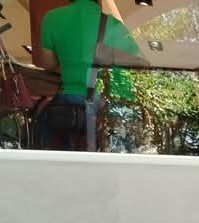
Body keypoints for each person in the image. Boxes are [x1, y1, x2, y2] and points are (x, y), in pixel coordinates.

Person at [37, 0, 142, 151]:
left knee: (43, 125)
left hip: (66, 104)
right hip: (101, 102)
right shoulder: (113, 25)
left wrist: (70, 65)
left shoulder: (52, 18)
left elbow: (48, 63)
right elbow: (138, 66)